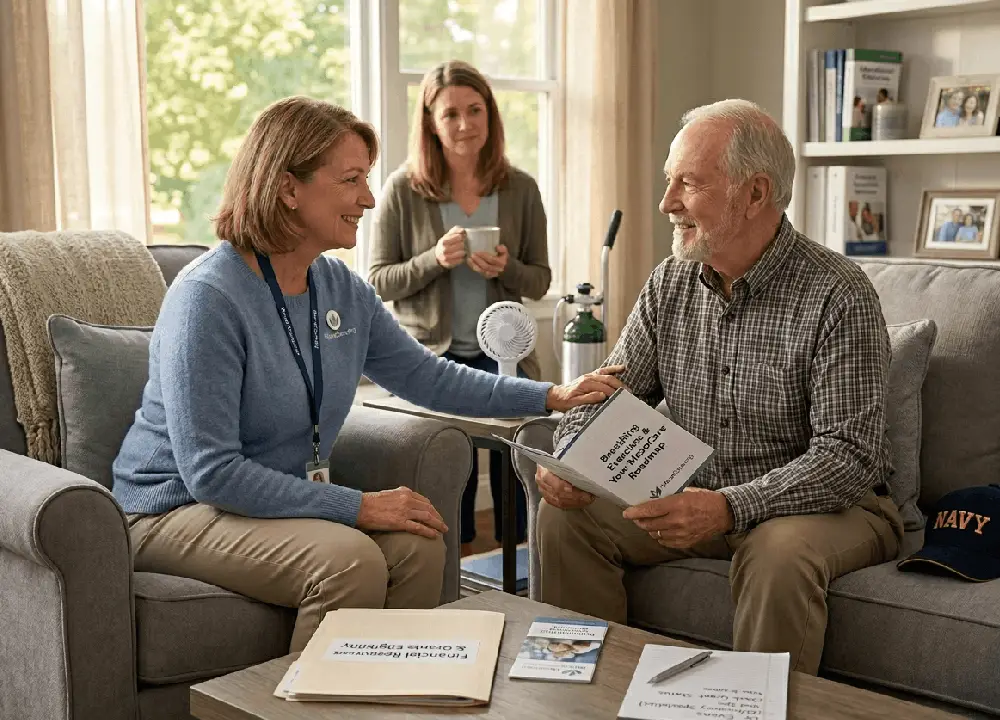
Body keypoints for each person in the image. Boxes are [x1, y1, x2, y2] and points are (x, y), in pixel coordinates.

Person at [111, 95, 622, 654]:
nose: (370, 198)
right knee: (348, 561)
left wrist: (551, 395)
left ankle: (394, 704)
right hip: (174, 509)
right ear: (288, 188)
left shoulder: (339, 288)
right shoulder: (208, 298)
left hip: (269, 504)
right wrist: (359, 505)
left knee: (420, 541)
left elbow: (429, 378)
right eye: (351, 179)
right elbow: (212, 474)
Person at [534, 99, 903, 676]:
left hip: (828, 507)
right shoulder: (670, 282)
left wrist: (731, 507)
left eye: (689, 184)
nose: (666, 203)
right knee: (567, 518)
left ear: (755, 194)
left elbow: (848, 458)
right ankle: (584, 699)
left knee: (778, 555)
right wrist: (572, 458)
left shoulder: (839, 294)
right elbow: (609, 389)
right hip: (695, 496)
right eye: (668, 181)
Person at [368, 60, 551, 547]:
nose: (465, 124)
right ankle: (458, 563)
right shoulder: (402, 191)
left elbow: (539, 282)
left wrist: (506, 269)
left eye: (475, 110)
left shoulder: (521, 189)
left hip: (506, 353)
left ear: (491, 116)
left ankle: (523, 559)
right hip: (430, 355)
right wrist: (434, 259)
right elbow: (378, 281)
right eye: (451, 114)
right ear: (430, 121)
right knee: (454, 472)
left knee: (524, 461)